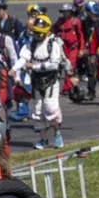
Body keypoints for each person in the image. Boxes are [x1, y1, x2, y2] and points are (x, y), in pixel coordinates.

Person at [23, 18, 70, 149]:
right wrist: (17, 68)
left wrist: (34, 66)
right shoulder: (32, 44)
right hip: (36, 82)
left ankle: (57, 135)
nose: (37, 35)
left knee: (51, 109)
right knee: (38, 111)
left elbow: (54, 65)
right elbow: (24, 57)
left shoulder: (54, 44)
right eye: (35, 32)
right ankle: (43, 139)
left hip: (51, 81)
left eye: (40, 32)